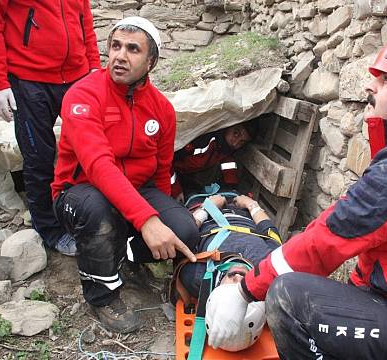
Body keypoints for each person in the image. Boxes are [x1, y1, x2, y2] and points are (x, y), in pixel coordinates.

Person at [205, 30, 387, 360]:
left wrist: (246, 290)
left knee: (290, 298)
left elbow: (333, 236)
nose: (368, 86)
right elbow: (379, 244)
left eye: (382, 79)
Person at [51, 16, 198, 333]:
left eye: (133, 49)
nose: (120, 55)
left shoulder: (162, 109)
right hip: (79, 191)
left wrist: (162, 213)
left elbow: (161, 171)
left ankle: (123, 257)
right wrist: (147, 220)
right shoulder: (82, 95)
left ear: (151, 61)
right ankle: (102, 296)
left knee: (185, 229)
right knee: (97, 209)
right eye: (115, 46)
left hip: (136, 189)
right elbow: (98, 164)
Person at [0, 0, 102, 256]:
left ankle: (81, 213)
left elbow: (84, 18)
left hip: (77, 76)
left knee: (87, 150)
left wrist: (94, 67)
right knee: (39, 158)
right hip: (29, 79)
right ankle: (50, 230)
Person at [174, 194, 281, 352]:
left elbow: (184, 234)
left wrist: (207, 208)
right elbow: (269, 230)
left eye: (231, 285)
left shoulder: (194, 274)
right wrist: (251, 204)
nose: (238, 277)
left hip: (203, 212)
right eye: (244, 290)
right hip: (243, 210)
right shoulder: (270, 265)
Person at [171, 122, 258, 202]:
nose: (235, 143)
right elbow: (168, 162)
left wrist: (230, 191)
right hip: (171, 176)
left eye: (242, 141)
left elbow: (228, 166)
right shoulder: (202, 140)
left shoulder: (226, 148)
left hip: (192, 180)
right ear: (229, 125)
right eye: (236, 133)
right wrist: (176, 190)